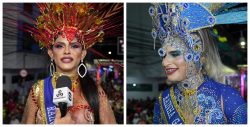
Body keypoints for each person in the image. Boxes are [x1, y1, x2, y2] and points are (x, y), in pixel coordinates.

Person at [21, 3, 122, 124]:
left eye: (74, 46)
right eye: (59, 46)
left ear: (82, 54)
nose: (67, 51)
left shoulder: (95, 90)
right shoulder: (38, 90)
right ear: (51, 53)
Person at [149, 3, 247, 124]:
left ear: (199, 57)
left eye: (174, 54)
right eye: (163, 55)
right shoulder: (163, 100)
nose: (164, 62)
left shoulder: (226, 96)